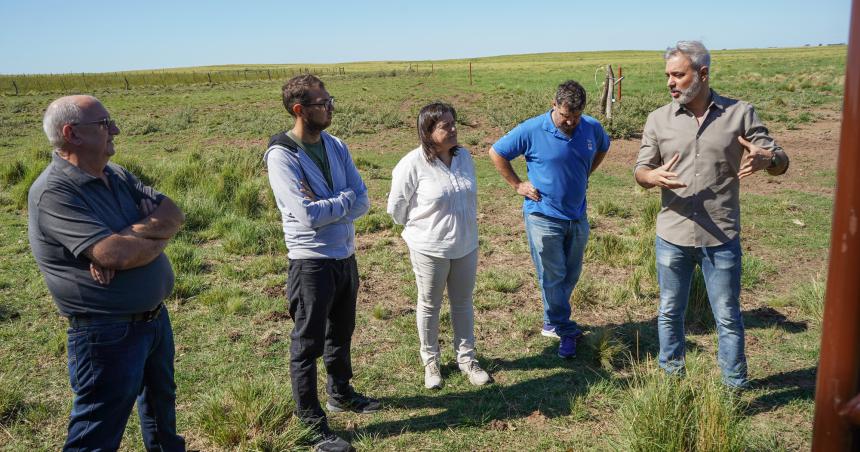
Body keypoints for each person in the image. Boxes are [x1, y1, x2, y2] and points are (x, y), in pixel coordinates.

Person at [28, 95, 186, 450]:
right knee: (97, 430)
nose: (115, 129)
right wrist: (150, 231)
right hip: (106, 332)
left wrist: (136, 239)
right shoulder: (53, 193)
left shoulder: (115, 174)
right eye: (103, 124)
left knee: (162, 414)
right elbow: (114, 254)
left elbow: (173, 214)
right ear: (72, 134)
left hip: (153, 320)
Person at [634, 41, 790, 389]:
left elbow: (778, 157)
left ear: (702, 74)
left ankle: (734, 387)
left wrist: (770, 160)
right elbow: (641, 169)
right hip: (672, 235)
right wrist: (650, 177)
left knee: (728, 316)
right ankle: (672, 381)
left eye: (678, 74)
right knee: (670, 312)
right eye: (668, 76)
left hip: (721, 238)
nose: (670, 82)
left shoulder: (740, 114)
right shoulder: (658, 119)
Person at [264, 74, 379, 452]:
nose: (330, 107)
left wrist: (336, 200)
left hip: (344, 256)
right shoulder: (282, 155)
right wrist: (343, 200)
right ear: (300, 110)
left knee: (341, 332)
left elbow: (363, 200)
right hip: (310, 262)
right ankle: (311, 424)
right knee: (307, 343)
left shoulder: (336, 145)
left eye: (330, 100)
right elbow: (305, 215)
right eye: (322, 103)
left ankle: (341, 393)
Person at [489, 80, 610, 359]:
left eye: (575, 116)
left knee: (571, 272)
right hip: (542, 214)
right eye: (566, 115)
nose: (570, 121)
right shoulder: (532, 129)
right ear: (554, 105)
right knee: (553, 273)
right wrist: (518, 185)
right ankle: (563, 328)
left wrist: (585, 173)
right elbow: (496, 152)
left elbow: (603, 146)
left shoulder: (591, 127)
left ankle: (553, 318)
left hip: (577, 213)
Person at [387, 102, 492, 390]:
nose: (454, 128)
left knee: (463, 303)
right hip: (429, 248)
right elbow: (396, 207)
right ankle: (431, 362)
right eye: (445, 125)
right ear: (427, 131)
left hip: (466, 245)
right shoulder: (412, 163)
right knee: (430, 304)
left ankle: (467, 359)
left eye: (454, 122)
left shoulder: (465, 158)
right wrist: (421, 229)